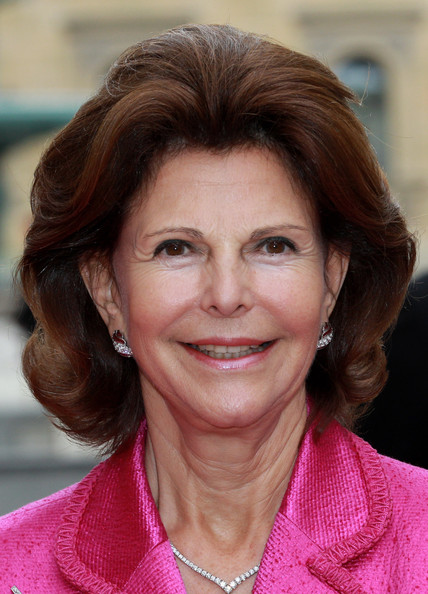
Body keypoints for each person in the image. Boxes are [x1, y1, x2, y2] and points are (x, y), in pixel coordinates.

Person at [1, 24, 427, 593]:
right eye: (177, 248)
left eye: (273, 246)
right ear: (107, 291)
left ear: (331, 280)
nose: (226, 295)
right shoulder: (13, 569)